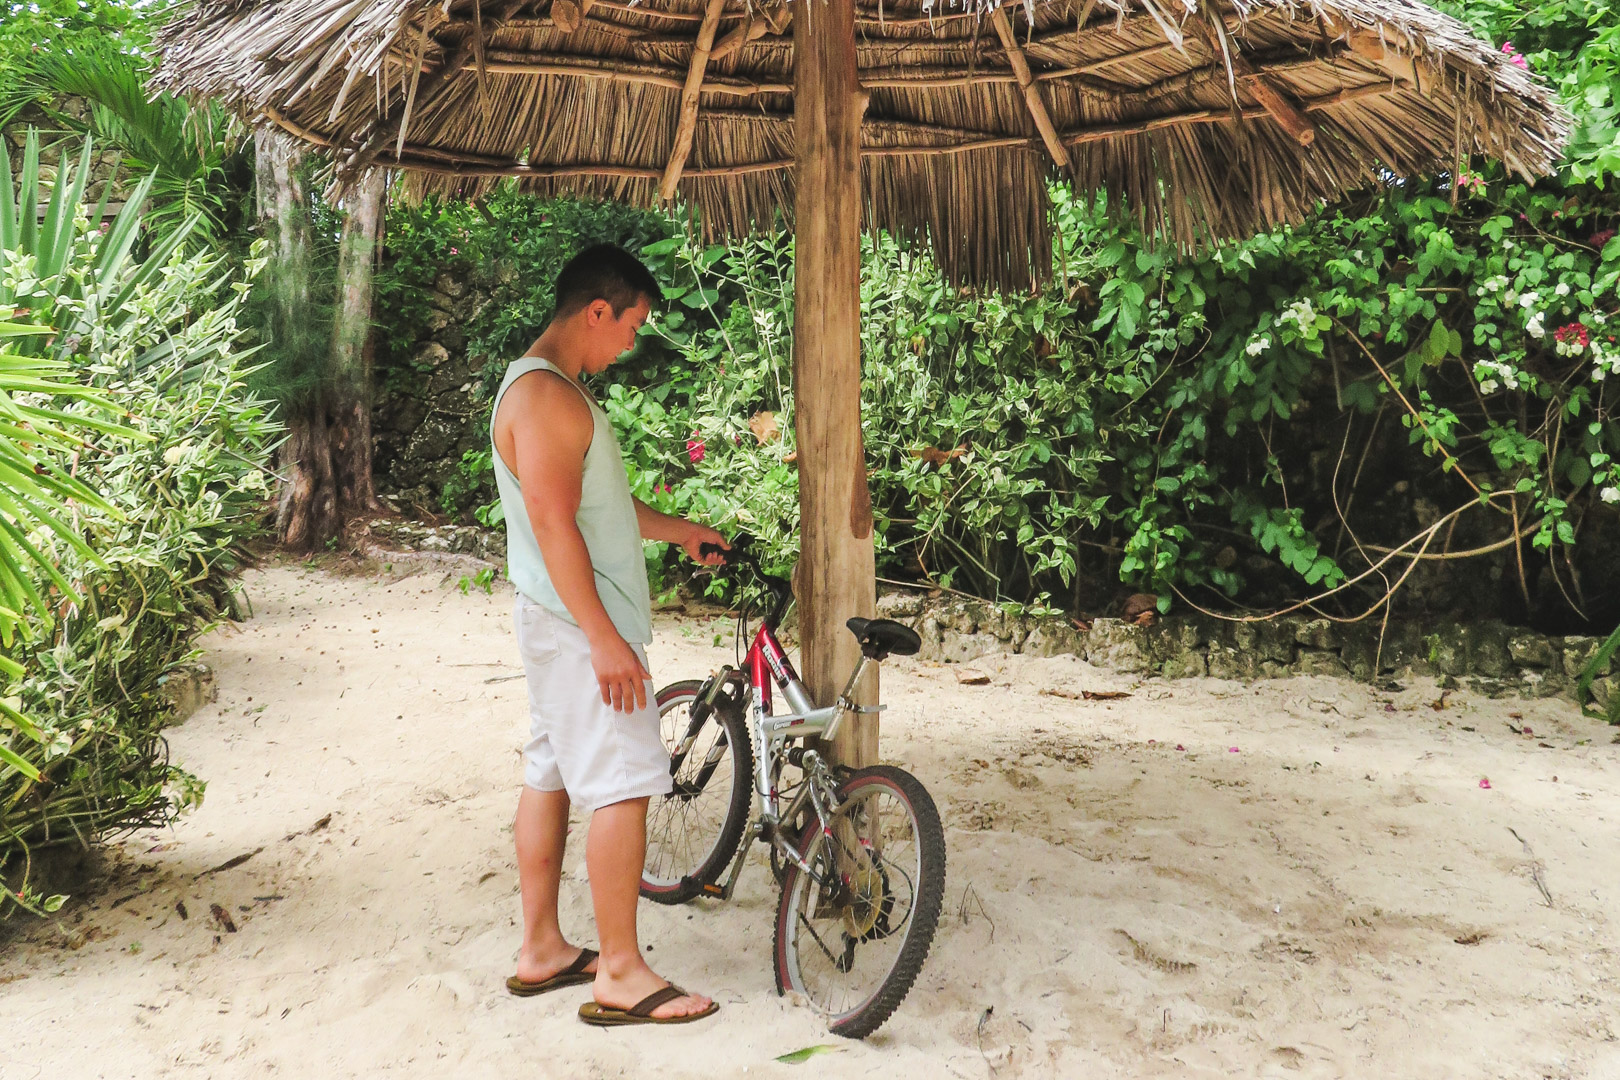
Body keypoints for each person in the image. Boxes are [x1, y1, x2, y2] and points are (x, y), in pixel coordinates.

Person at [490, 243, 726, 1026]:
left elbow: (593, 510)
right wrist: (604, 637)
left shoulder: (537, 391)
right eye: (631, 327)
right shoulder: (550, 399)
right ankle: (620, 972)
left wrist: (678, 530)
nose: (630, 345)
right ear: (598, 311)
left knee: (551, 768)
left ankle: (542, 950)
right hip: (574, 622)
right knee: (625, 778)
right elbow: (555, 525)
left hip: (553, 617)